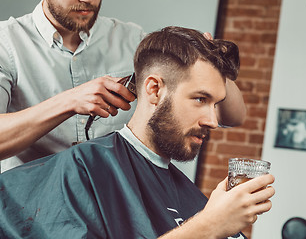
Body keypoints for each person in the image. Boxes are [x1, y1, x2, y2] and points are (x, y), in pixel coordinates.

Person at [0, 26, 274, 239]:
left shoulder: (194, 196)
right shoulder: (85, 172)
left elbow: (236, 115)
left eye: (216, 103)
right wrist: (208, 226)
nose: (214, 121)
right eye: (200, 99)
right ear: (153, 90)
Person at [0, 0, 246, 172]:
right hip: (30, 207)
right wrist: (69, 102)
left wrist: (211, 62)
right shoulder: (6, 43)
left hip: (112, 202)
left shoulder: (132, 39)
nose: (87, 0)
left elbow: (232, 116)